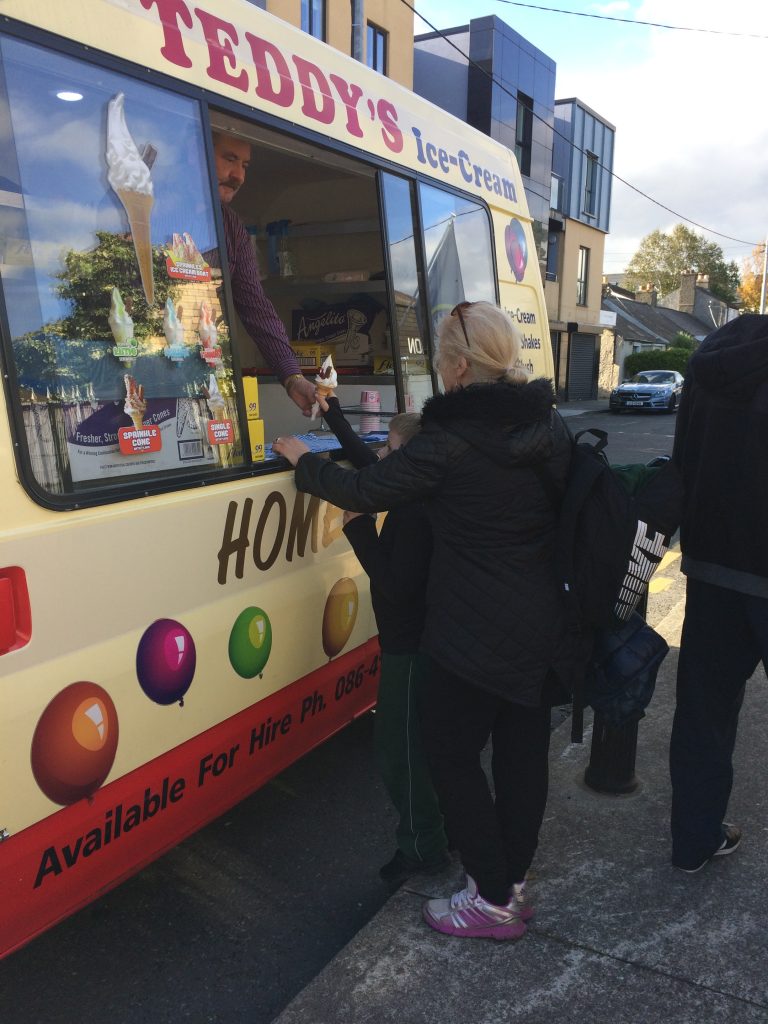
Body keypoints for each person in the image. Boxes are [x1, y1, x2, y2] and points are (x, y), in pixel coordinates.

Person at [274, 301, 573, 941]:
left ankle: (491, 897)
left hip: (469, 634)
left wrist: (304, 459)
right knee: (523, 756)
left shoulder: (448, 443)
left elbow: (363, 491)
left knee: (450, 756)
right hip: (542, 622)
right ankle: (510, 886)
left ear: (459, 365)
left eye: (440, 358)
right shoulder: (548, 427)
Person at [316, 394, 449, 884]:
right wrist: (329, 410)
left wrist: (360, 531)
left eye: (392, 452)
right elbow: (368, 465)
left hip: (409, 648)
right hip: (422, 643)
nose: (383, 460)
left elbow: (393, 587)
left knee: (401, 752)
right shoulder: (423, 490)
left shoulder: (415, 515)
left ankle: (422, 846)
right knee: (420, 747)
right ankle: (438, 831)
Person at [669, 314, 768, 873]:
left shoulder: (713, 355)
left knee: (703, 716)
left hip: (713, 568)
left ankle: (693, 841)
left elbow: (683, 459)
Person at [212, 132, 316, 416]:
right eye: (229, 159)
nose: (239, 176)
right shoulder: (157, 209)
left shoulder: (231, 227)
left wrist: (292, 376)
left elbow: (255, 305)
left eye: (244, 165)